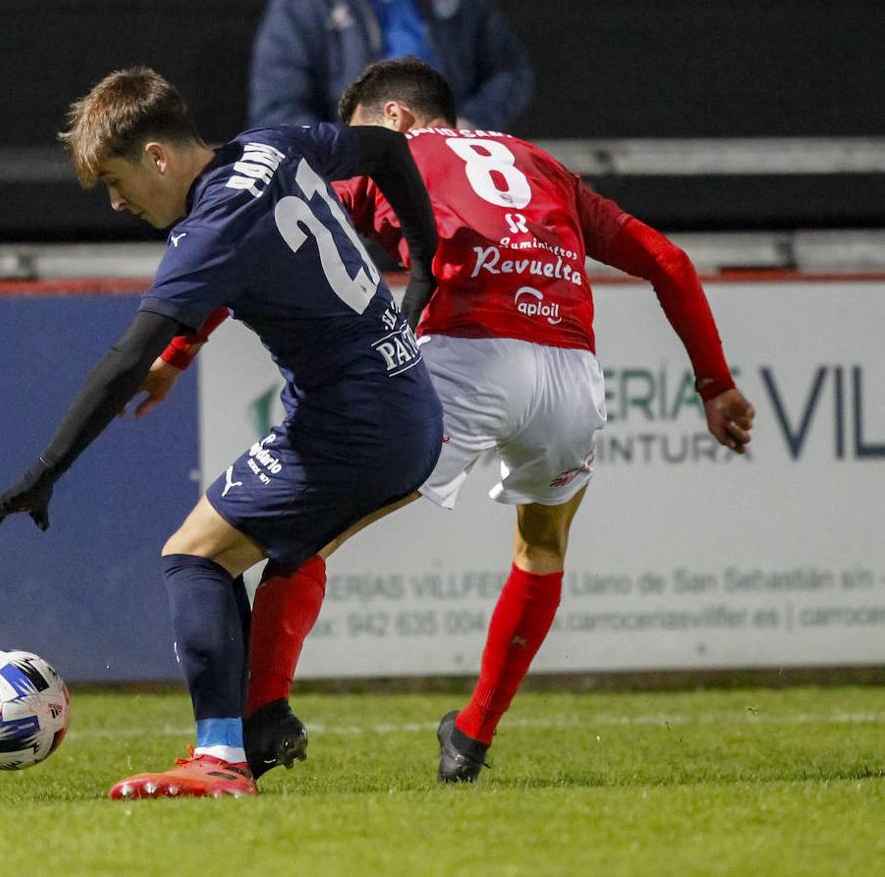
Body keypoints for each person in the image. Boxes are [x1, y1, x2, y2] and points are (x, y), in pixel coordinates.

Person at [141, 58, 755, 782]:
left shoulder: (386, 161)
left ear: (393, 120)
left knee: (305, 531)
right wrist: (715, 384)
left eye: (358, 132)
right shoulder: (540, 164)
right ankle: (470, 738)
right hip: (569, 372)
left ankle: (261, 718)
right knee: (542, 547)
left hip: (463, 358)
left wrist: (178, 350)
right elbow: (667, 261)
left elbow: (264, 235)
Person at [0, 65, 443, 800]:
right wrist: (425, 259)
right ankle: (256, 722)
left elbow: (125, 358)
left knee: (194, 558)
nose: (119, 202)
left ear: (157, 155)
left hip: (359, 423)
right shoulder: (272, 145)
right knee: (245, 548)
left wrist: (45, 470)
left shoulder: (213, 225)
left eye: (118, 182)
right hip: (402, 398)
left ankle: (222, 757)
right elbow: (382, 149)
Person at [248, 0, 534, 131]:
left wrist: (469, 123)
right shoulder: (301, 2)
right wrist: (348, 150)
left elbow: (511, 72)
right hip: (351, 185)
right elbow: (277, 111)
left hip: (451, 166)